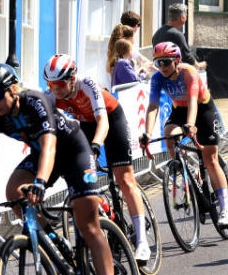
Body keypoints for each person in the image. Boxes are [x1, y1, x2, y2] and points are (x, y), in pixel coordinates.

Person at [0, 64, 121, 275]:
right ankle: (51, 241)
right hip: (42, 156)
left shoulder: (35, 101)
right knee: (13, 191)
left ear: (13, 89)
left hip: (73, 151)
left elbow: (50, 145)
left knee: (88, 224)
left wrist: (39, 182)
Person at [43, 54, 150, 262]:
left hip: (110, 119)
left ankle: (142, 242)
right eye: (51, 84)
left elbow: (103, 123)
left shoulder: (87, 84)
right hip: (86, 124)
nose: (56, 89)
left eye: (60, 83)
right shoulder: (52, 95)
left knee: (125, 180)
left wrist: (95, 146)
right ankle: (104, 214)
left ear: (72, 78)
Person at [141, 42, 228, 226]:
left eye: (166, 62)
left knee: (210, 159)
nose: (163, 67)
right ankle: (185, 168)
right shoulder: (158, 78)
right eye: (158, 63)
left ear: (176, 60)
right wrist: (147, 133)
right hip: (180, 110)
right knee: (169, 133)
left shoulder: (188, 72)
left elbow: (193, 100)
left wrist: (190, 124)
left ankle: (225, 209)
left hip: (203, 109)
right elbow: (152, 106)